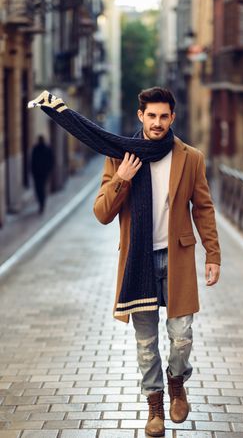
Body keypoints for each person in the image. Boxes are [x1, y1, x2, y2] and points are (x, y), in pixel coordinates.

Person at [27, 87, 221, 437]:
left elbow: (203, 208)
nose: (158, 123)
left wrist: (213, 255)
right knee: (146, 343)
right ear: (140, 116)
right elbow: (101, 213)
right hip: (138, 261)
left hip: (175, 257)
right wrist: (122, 179)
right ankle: (155, 406)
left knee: (181, 337)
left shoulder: (190, 157)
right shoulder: (120, 156)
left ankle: (177, 382)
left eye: (164, 116)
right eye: (152, 116)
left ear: (172, 118)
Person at [30, 135, 54, 214]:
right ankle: (42, 203)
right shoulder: (39, 149)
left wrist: (48, 170)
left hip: (40, 173)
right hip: (40, 173)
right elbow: (32, 161)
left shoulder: (40, 149)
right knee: (40, 189)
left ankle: (42, 203)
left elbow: (51, 160)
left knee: (40, 189)